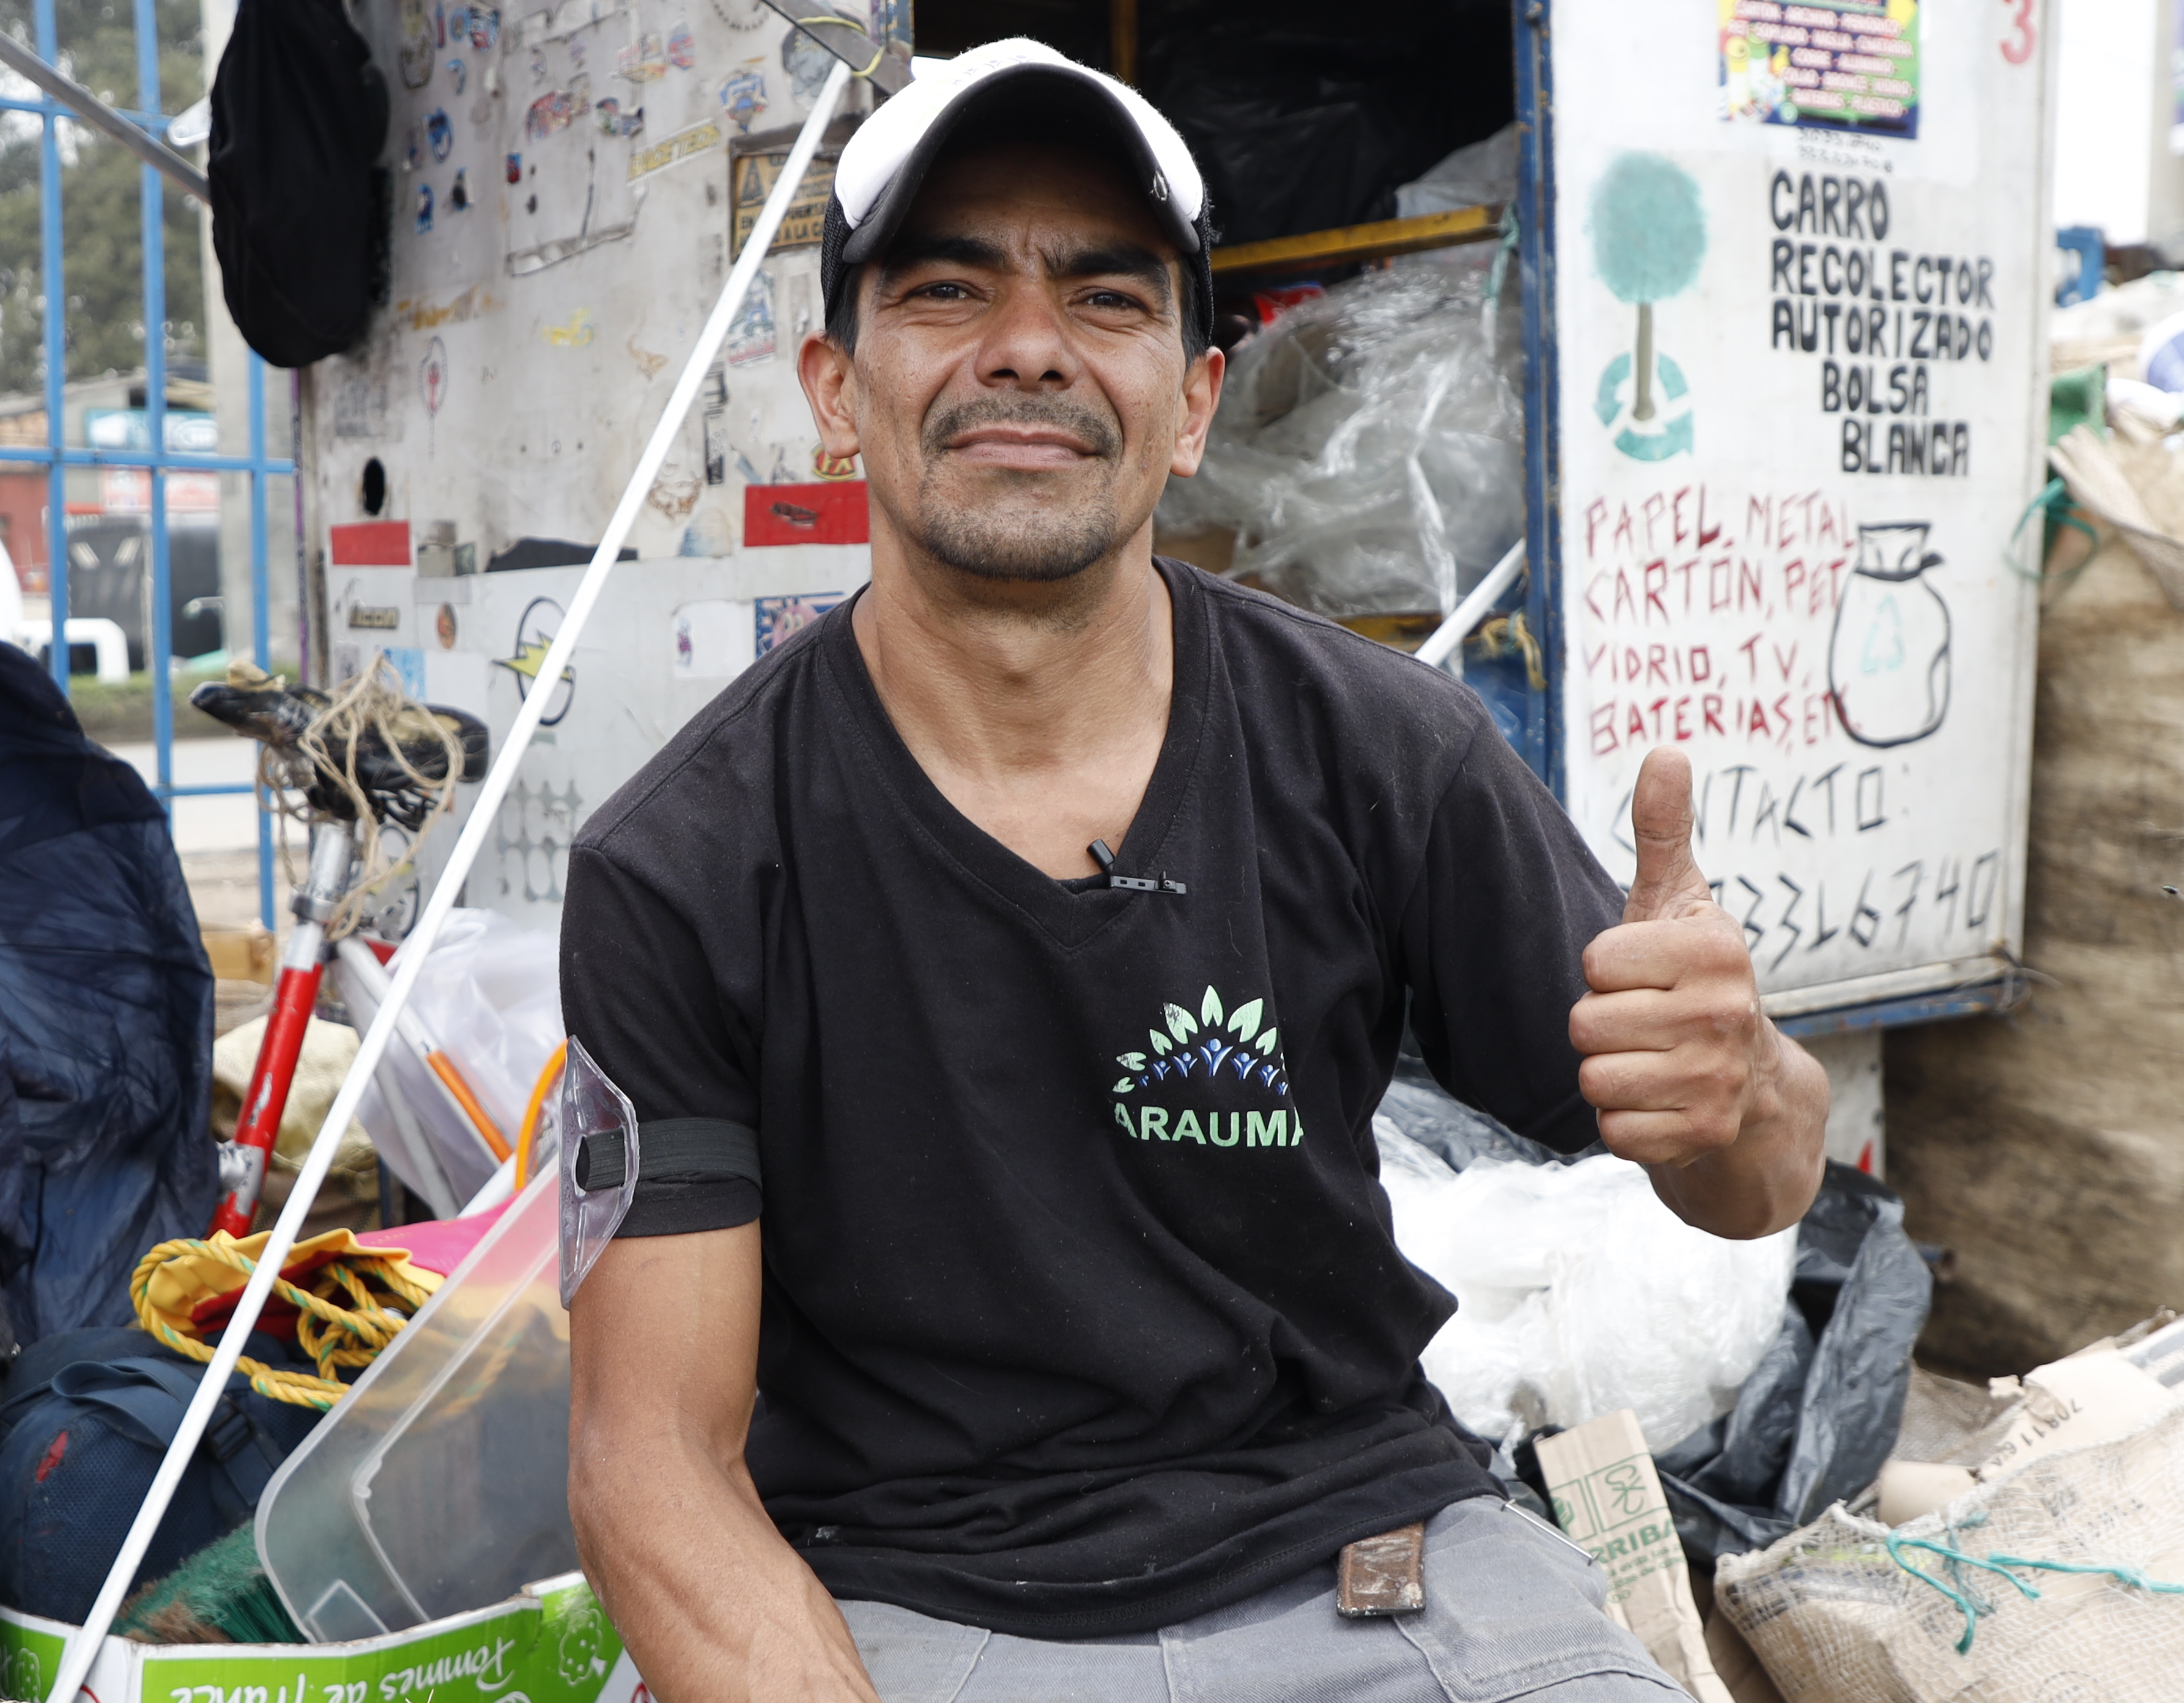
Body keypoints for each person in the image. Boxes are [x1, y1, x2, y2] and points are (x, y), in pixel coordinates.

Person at [559, 37, 1828, 1702]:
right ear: (833, 385)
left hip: (1369, 1565)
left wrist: (1750, 1092)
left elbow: (1752, 1187)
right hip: (910, 1606)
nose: (1028, 349)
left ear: (1197, 402)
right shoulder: (687, 864)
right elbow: (651, 1462)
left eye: (1105, 298)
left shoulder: (1383, 752)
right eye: (946, 292)